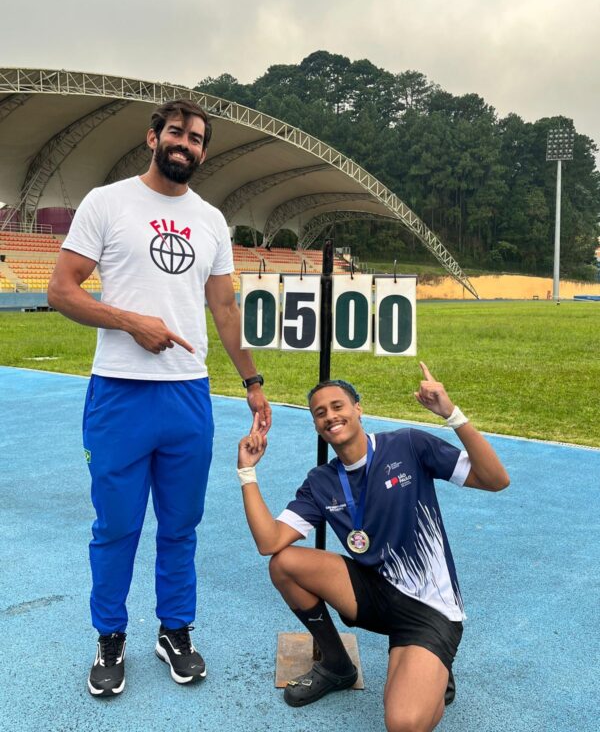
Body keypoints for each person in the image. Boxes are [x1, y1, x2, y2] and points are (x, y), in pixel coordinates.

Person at [48, 99, 271, 698]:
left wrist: (253, 383)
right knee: (116, 526)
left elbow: (224, 308)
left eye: (197, 139)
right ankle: (110, 638)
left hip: (187, 397)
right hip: (119, 394)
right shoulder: (107, 202)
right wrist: (128, 321)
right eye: (177, 133)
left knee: (180, 526)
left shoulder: (210, 220)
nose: (187, 145)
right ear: (153, 137)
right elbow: (61, 290)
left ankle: (175, 631)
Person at [236, 363, 509, 732]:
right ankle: (336, 665)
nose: (330, 416)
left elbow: (496, 480)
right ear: (316, 425)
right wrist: (247, 472)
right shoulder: (321, 482)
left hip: (429, 609)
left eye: (338, 406)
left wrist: (451, 413)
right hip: (374, 591)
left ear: (358, 409)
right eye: (320, 413)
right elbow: (269, 542)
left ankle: (434, 665)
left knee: (402, 723)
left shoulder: (408, 445)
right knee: (283, 564)